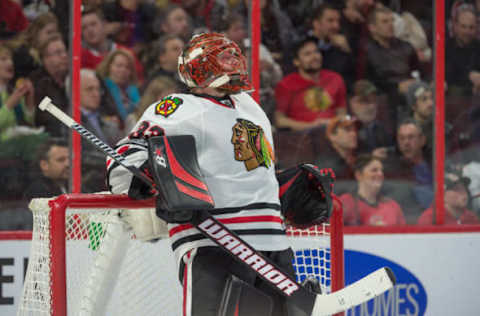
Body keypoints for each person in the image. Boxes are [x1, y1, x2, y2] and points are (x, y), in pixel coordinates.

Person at [107, 32, 335, 316]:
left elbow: (249, 168)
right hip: (214, 242)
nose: (233, 64)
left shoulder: (251, 107)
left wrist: (281, 188)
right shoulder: (179, 108)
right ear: (199, 67)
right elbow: (125, 155)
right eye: (223, 58)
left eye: (233, 57)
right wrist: (145, 177)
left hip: (274, 243)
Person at [274, 36, 347, 131]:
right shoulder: (285, 85)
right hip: (302, 138)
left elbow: (342, 113)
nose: (314, 57)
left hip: (333, 134)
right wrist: (311, 126)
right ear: (296, 62)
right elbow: (279, 120)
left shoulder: (335, 79)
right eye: (307, 54)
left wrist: (332, 123)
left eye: (316, 52)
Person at [80, 69, 123, 192]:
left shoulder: (108, 122)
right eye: (89, 89)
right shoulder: (69, 121)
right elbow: (81, 155)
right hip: (90, 182)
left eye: (98, 89)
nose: (96, 94)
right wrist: (113, 161)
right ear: (74, 92)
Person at [383, 119, 433, 223]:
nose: (406, 142)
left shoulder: (435, 162)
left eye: (411, 137)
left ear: (422, 140)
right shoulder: (391, 169)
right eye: (402, 138)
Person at [81, 7, 144, 82]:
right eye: (84, 27)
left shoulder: (126, 53)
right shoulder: (80, 58)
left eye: (93, 24)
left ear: (104, 25)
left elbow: (139, 81)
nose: (90, 30)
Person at [340, 154, 406, 226]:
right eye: (374, 170)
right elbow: (331, 231)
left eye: (381, 171)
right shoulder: (345, 202)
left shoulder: (393, 206)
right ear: (359, 175)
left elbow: (404, 234)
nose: (380, 174)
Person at [308, 3, 356, 92]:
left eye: (338, 21)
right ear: (316, 24)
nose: (336, 26)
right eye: (330, 21)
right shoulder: (298, 47)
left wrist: (347, 51)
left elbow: (350, 81)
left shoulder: (341, 47)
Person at [30, 34, 69, 139]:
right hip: (51, 137)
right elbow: (45, 118)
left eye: (65, 51)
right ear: (44, 58)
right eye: (58, 53)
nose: (64, 56)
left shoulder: (73, 77)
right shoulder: (37, 83)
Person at [96, 49, 141, 128]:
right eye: (119, 66)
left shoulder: (134, 90)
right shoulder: (100, 88)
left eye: (127, 67)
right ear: (109, 66)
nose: (123, 70)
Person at [349, 80, 393, 156]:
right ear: (353, 103)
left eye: (374, 100)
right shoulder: (348, 129)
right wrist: (370, 156)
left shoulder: (380, 128)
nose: (372, 106)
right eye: (365, 101)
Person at [446, 4, 480, 96]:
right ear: (455, 26)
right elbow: (448, 80)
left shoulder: (478, 48)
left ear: (477, 27)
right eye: (463, 26)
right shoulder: (445, 48)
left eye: (471, 27)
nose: (467, 32)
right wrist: (469, 75)